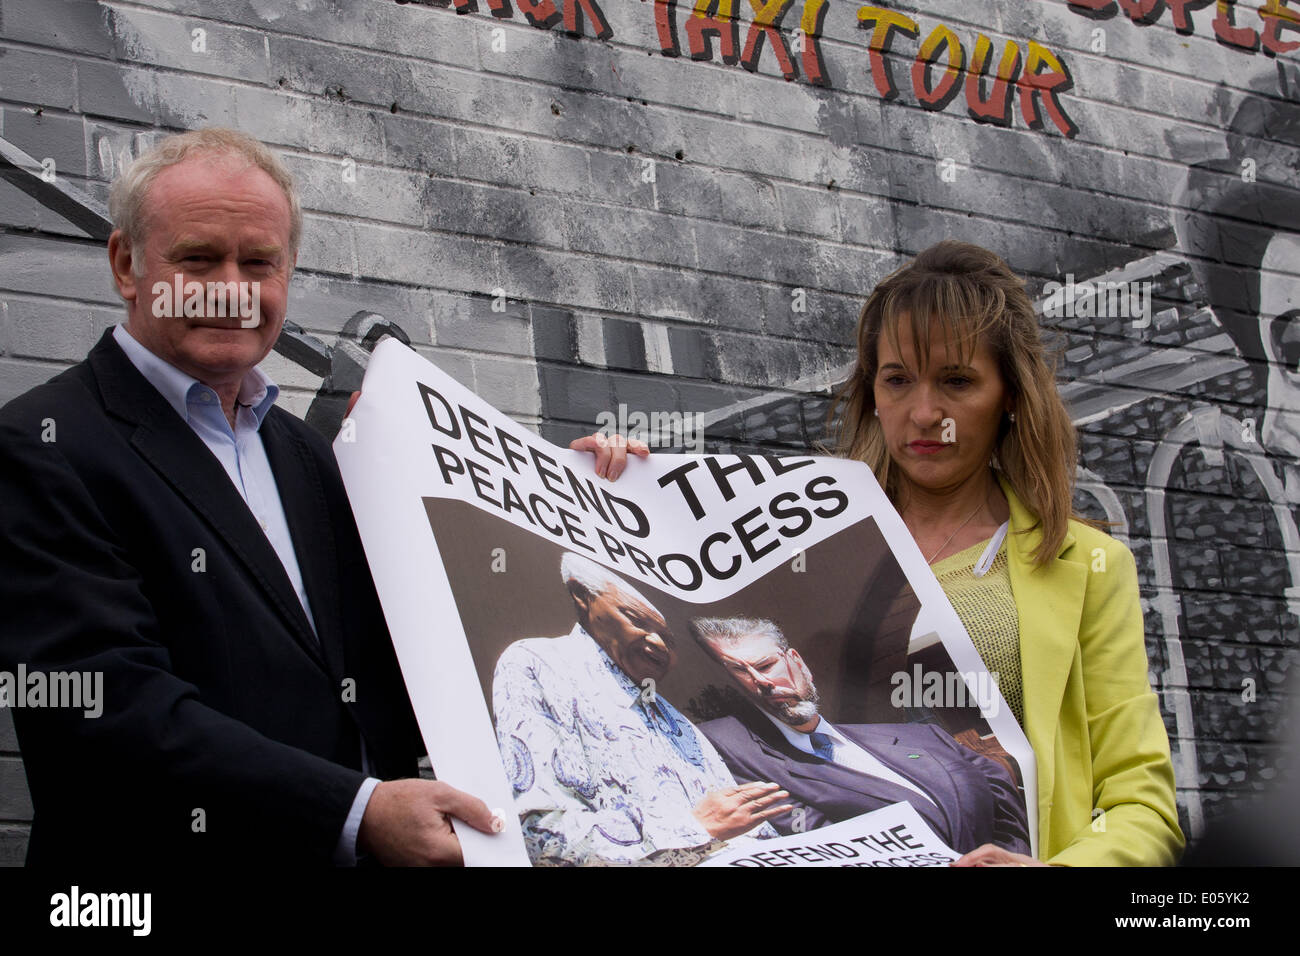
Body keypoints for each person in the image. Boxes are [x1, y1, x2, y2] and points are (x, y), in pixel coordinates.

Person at [579, 240, 1185, 866]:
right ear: (873, 392)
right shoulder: (799, 536)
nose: (924, 413)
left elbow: (1141, 802)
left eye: (957, 380)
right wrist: (619, 493)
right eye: (898, 380)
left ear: (1010, 393)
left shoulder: (1088, 565)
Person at [0, 127, 499, 866]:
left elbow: (418, 659)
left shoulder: (311, 458)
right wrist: (358, 813)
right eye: (198, 259)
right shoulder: (40, 445)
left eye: (259, 263)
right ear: (126, 264)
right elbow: (102, 703)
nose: (232, 289)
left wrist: (597, 497)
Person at [491, 553, 789, 865]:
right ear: (582, 595)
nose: (659, 644)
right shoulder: (538, 665)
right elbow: (540, 836)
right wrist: (694, 828)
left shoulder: (678, 723)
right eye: (636, 619)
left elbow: (746, 826)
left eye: (669, 639)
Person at [691, 617, 1031, 854]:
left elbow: (1000, 795)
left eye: (765, 666)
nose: (760, 681)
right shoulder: (738, 750)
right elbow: (820, 840)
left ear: (797, 662)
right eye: (739, 674)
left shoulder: (922, 736)